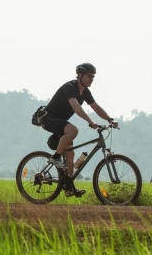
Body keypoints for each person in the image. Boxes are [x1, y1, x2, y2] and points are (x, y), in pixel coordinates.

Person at [40, 63, 118, 197]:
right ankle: (56, 158)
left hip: (61, 123)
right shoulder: (69, 87)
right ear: (80, 76)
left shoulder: (85, 92)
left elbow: (96, 108)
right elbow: (76, 107)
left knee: (70, 154)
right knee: (73, 130)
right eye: (89, 76)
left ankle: (69, 187)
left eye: (93, 77)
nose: (91, 79)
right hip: (49, 119)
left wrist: (110, 119)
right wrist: (90, 122)